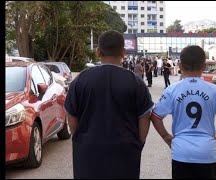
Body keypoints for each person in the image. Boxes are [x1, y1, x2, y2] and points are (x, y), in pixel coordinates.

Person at [64, 30, 154, 179]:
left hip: (88, 153)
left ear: (98, 52)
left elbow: (71, 115)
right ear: (123, 52)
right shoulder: (135, 82)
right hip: (125, 152)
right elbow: (145, 116)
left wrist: (80, 138)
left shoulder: (81, 80)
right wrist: (138, 143)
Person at [150, 45, 216, 179]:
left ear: (179, 66)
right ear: (204, 66)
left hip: (181, 153)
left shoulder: (172, 90)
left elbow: (155, 116)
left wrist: (166, 136)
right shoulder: (213, 90)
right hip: (208, 153)